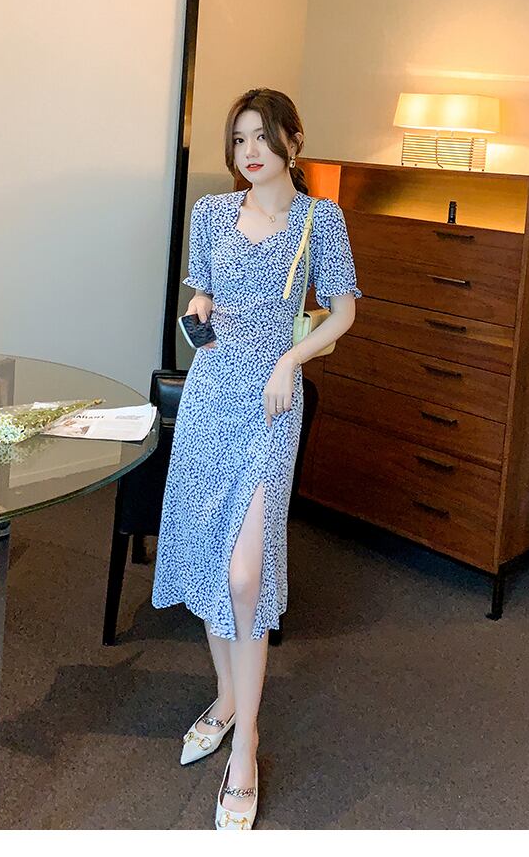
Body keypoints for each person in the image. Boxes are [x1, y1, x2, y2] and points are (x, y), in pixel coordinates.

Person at [151, 87, 362, 830]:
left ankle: (245, 746)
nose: (249, 152)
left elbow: (342, 312)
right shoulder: (212, 213)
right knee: (215, 563)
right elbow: (199, 295)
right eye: (239, 139)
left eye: (262, 137)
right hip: (212, 395)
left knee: (247, 575)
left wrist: (291, 360)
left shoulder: (319, 220)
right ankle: (226, 697)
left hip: (272, 400)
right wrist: (199, 309)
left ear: (292, 142)